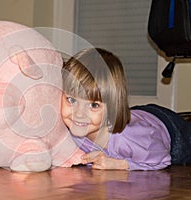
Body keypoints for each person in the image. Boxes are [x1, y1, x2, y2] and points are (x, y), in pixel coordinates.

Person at [61, 48, 191, 170]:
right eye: (71, 100)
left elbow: (163, 159)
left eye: (94, 105)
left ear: (113, 108)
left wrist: (120, 164)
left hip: (171, 130)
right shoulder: (66, 127)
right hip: (138, 114)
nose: (79, 114)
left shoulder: (126, 139)